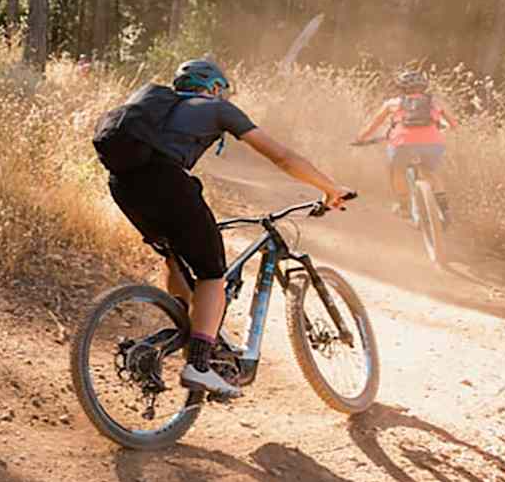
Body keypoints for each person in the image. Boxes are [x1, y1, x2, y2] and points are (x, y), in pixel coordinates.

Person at [104, 59, 351, 399]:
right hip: (167, 181)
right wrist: (329, 188)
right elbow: (281, 156)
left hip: (123, 186)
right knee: (211, 274)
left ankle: (185, 327)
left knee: (174, 256)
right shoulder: (217, 107)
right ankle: (199, 366)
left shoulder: (155, 105)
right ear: (215, 87)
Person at [352, 68, 457, 223]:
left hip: (402, 143)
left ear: (401, 89)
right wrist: (442, 127)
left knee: (397, 170)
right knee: (431, 173)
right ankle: (445, 211)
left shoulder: (393, 104)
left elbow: (372, 126)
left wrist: (360, 138)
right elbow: (454, 125)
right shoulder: (435, 103)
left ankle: (404, 207)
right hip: (433, 144)